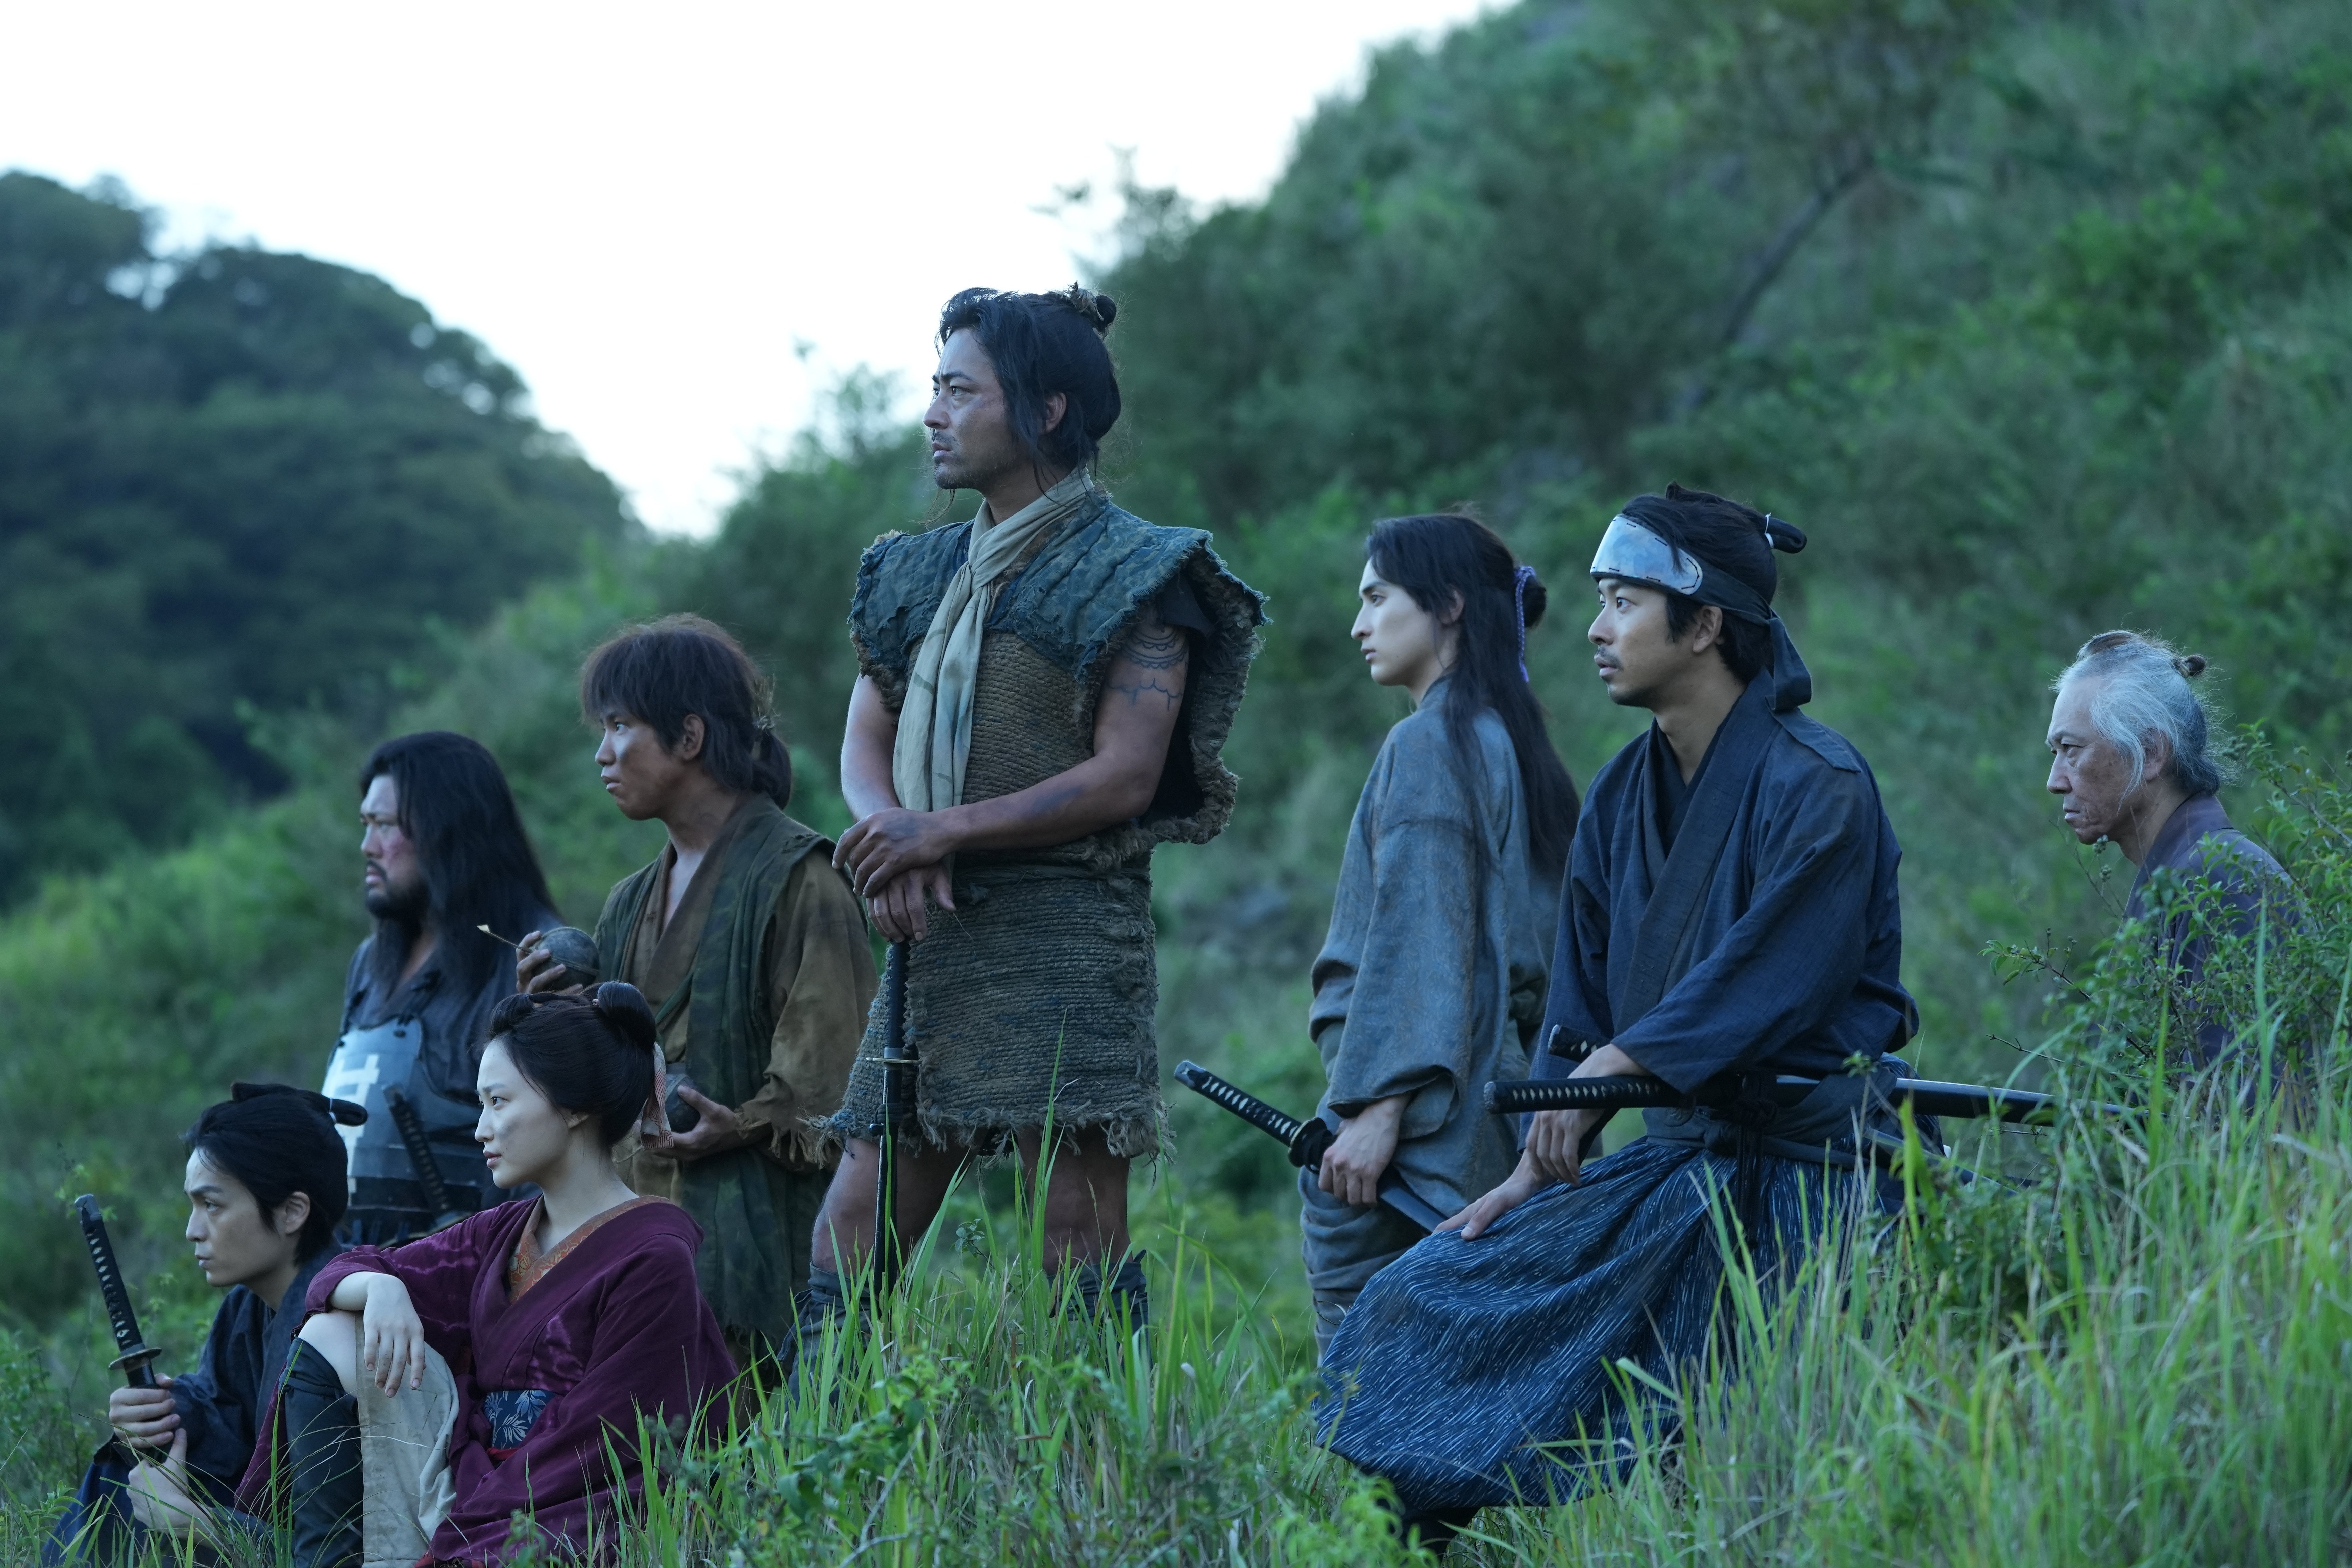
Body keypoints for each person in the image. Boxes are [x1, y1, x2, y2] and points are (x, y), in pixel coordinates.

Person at [1317, 484, 1919, 1552]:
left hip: (1807, 1179)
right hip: (1672, 1167)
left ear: (1703, 625)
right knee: (1420, 1299)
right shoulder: (1618, 792)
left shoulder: (1820, 786)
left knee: (1755, 1462)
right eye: (1596, 601)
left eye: (1623, 604)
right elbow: (1577, 1007)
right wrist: (1525, 1174)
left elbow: (1764, 979)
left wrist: (1614, 1062)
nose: (1594, 630)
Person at [814, 284, 1263, 1338]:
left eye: (958, 390)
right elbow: (864, 740)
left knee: (1075, 1233)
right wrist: (893, 841)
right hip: (927, 933)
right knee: (853, 1222)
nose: (932, 413)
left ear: (1045, 409)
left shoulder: (1138, 570)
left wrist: (945, 831)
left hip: (1065, 929)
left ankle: (1098, 1475)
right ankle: (819, 1445)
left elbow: (1122, 774)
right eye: (933, 388)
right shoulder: (911, 571)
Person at [248, 985, 735, 1567]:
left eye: (498, 1102)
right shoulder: (500, 1231)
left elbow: (596, 1451)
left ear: (575, 1105)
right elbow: (342, 1272)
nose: (481, 1128)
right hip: (471, 1487)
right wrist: (384, 1288)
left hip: (573, 1519)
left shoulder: (653, 1257)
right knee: (334, 1333)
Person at [519, 615, 874, 1369]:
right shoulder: (628, 900)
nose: (602, 752)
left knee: (747, 1470)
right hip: (630, 1248)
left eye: (621, 726)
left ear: (688, 737)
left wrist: (737, 1123)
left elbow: (839, 1089)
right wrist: (554, 1010)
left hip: (754, 1256)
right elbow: (603, 1083)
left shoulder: (801, 881)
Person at [1301, 514, 1579, 1357]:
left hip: (1414, 1136)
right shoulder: (1510, 741)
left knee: (1368, 1390)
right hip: (1492, 1114)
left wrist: (1379, 1110)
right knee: (1456, 1377)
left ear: (1448, 604)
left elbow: (1427, 940)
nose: (1359, 625)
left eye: (1378, 597)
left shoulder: (1432, 742)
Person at [45, 1086, 357, 1564]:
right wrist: (160, 1415)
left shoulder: (338, 1329)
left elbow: (334, 1554)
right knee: (128, 1468)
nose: (193, 1230)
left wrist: (197, 1523)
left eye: (212, 1205)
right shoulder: (246, 1308)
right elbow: (222, 1415)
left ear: (293, 1211)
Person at [323, 732, 562, 1241]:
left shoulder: (531, 955)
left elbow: (554, 1146)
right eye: (366, 825)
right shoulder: (371, 964)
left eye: (384, 826)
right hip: (352, 1269)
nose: (367, 848)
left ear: (446, 830)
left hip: (468, 1272)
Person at [2045, 630, 2290, 1061]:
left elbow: (2236, 1109)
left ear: (2152, 751)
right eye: (2055, 752)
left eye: (2071, 750)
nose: (2055, 781)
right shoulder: (2183, 874)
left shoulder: (2218, 881)